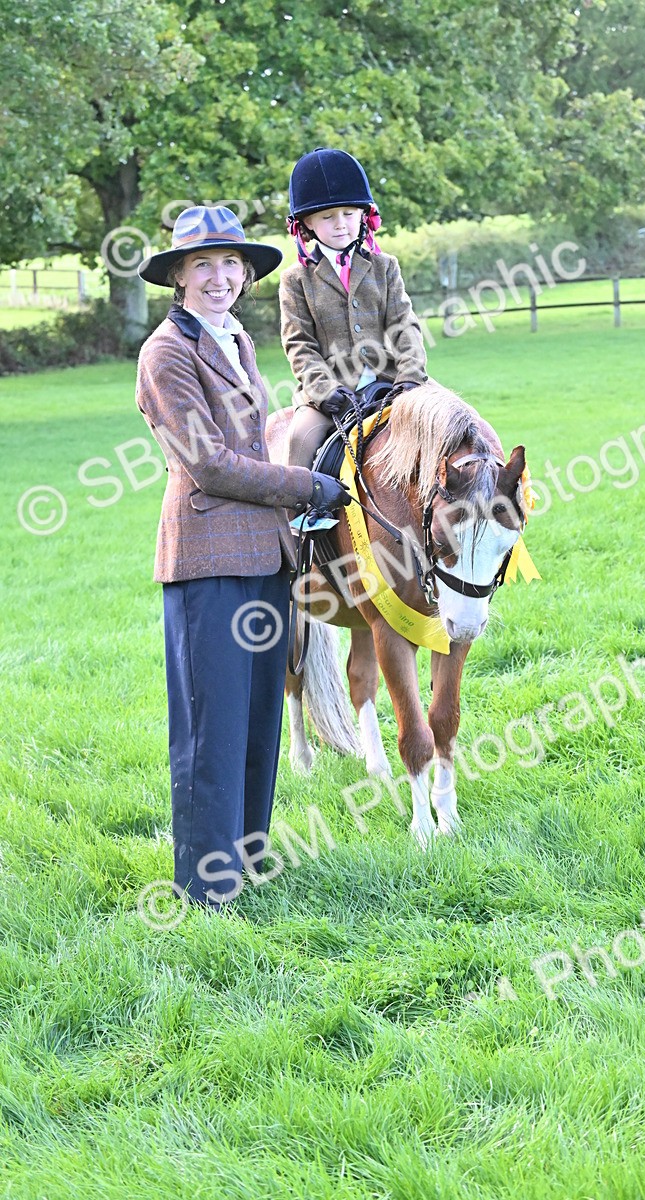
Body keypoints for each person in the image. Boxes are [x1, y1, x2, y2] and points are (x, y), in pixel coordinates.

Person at [135, 206, 350, 911]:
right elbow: (212, 466)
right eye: (203, 265)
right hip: (206, 556)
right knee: (211, 725)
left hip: (266, 552)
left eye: (231, 264)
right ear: (177, 276)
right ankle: (203, 889)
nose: (221, 276)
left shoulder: (235, 340)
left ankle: (248, 862)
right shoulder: (166, 352)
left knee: (258, 715)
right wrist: (309, 484)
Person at [280, 147, 428, 470]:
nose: (341, 224)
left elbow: (405, 326)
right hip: (332, 395)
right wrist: (323, 389)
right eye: (327, 216)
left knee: (450, 416)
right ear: (307, 223)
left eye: (348, 213)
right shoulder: (296, 280)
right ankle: (301, 513)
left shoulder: (385, 266)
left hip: (391, 383)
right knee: (299, 438)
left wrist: (411, 377)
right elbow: (299, 345)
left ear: (363, 214)